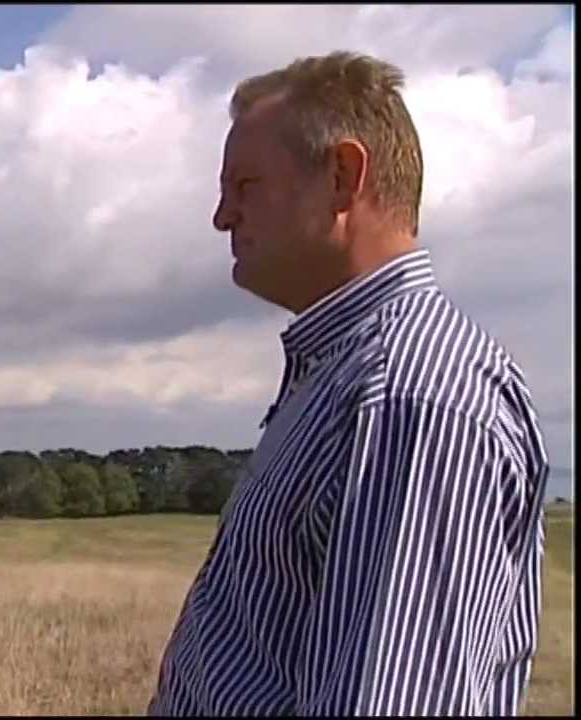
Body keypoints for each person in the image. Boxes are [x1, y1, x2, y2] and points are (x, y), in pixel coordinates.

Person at [148, 52, 549, 716]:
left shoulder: (412, 396)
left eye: (244, 185)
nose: (222, 217)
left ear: (342, 177)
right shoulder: (349, 374)